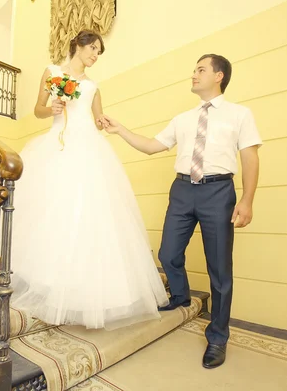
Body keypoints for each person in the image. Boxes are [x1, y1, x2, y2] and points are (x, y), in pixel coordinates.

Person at [102, 54, 262, 367]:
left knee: (219, 270)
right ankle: (180, 295)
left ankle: (217, 337)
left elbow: (250, 157)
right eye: (194, 70)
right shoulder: (183, 119)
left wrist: (247, 199)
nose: (193, 74)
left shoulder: (240, 115)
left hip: (219, 192)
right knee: (167, 253)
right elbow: (151, 146)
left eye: (200, 69)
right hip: (183, 190)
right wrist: (120, 129)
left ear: (219, 76)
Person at [10, 30, 169, 330]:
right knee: (54, 213)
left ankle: (80, 291)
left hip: (89, 150)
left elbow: (96, 118)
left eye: (99, 51)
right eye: (93, 48)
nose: (96, 55)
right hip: (59, 145)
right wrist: (52, 109)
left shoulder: (94, 86)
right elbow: (38, 109)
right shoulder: (53, 72)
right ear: (78, 46)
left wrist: (103, 122)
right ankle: (47, 282)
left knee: (88, 216)